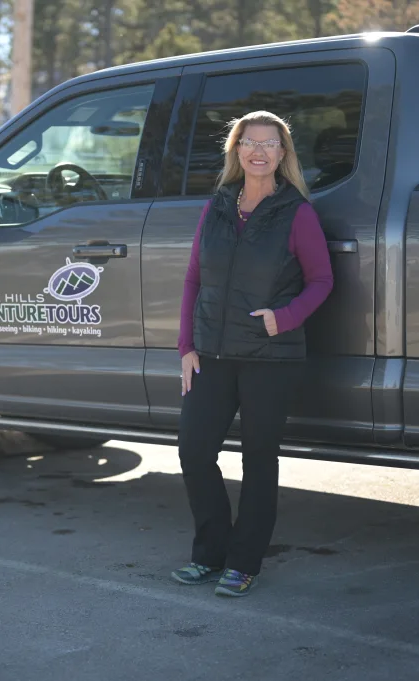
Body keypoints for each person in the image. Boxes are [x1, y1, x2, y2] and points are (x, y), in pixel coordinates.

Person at [171, 111, 334, 597]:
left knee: (258, 459)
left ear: (283, 154)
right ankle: (210, 554)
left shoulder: (297, 212)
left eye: (269, 143)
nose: (259, 151)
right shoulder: (217, 206)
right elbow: (194, 278)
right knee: (194, 452)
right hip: (212, 355)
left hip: (270, 356)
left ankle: (244, 563)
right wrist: (186, 346)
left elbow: (322, 280)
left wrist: (283, 318)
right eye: (249, 142)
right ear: (236, 151)